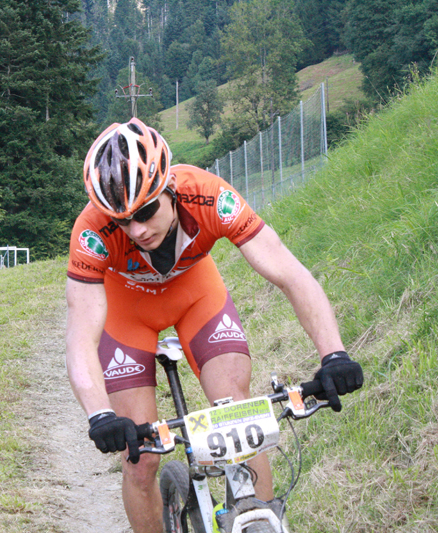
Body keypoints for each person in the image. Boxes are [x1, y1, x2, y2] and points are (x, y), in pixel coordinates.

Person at [65, 117, 364, 533]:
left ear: (169, 187)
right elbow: (81, 335)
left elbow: (291, 274)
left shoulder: (208, 196)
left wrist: (334, 354)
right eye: (122, 221)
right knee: (140, 458)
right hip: (126, 312)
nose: (137, 229)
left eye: (146, 211)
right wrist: (99, 415)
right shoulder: (92, 231)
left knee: (239, 415)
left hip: (196, 296)